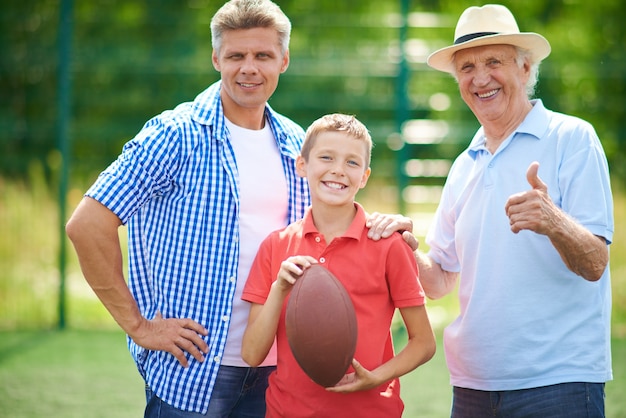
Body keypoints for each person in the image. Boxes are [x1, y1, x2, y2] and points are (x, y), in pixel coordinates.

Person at [65, 1, 409, 416]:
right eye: (236, 56)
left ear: (283, 60)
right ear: (216, 59)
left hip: (280, 370)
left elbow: (326, 229)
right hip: (193, 370)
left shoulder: (294, 142)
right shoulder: (174, 135)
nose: (250, 68)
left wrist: (383, 224)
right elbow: (87, 224)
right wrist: (139, 326)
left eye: (263, 55)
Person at [391, 4, 613, 417]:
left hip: (558, 381)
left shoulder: (572, 137)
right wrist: (400, 243)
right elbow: (439, 281)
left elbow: (596, 262)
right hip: (473, 385)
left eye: (494, 61)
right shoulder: (463, 165)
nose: (480, 78)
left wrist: (553, 221)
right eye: (467, 67)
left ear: (525, 69)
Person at [240, 113, 436, 418]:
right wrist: (280, 288)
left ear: (365, 176)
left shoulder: (388, 244)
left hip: (371, 411)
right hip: (286, 411)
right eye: (326, 157)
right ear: (302, 165)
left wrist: (378, 376)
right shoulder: (276, 246)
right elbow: (252, 354)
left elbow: (423, 343)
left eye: (352, 163)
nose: (338, 170)